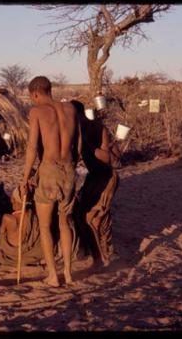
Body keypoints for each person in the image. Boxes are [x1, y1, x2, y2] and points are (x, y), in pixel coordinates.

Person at [20, 76, 79, 287]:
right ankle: (69, 274)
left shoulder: (36, 112)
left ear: (35, 93)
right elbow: (77, 146)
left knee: (45, 226)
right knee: (65, 223)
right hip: (69, 171)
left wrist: (25, 178)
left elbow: (32, 148)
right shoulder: (71, 109)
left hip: (49, 171)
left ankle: (53, 276)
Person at [74, 103, 120, 268]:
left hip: (105, 178)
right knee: (86, 217)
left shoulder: (97, 128)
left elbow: (107, 159)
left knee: (92, 220)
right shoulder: (77, 130)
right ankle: (100, 255)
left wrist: (86, 145)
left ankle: (101, 258)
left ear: (78, 114)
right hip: (93, 179)